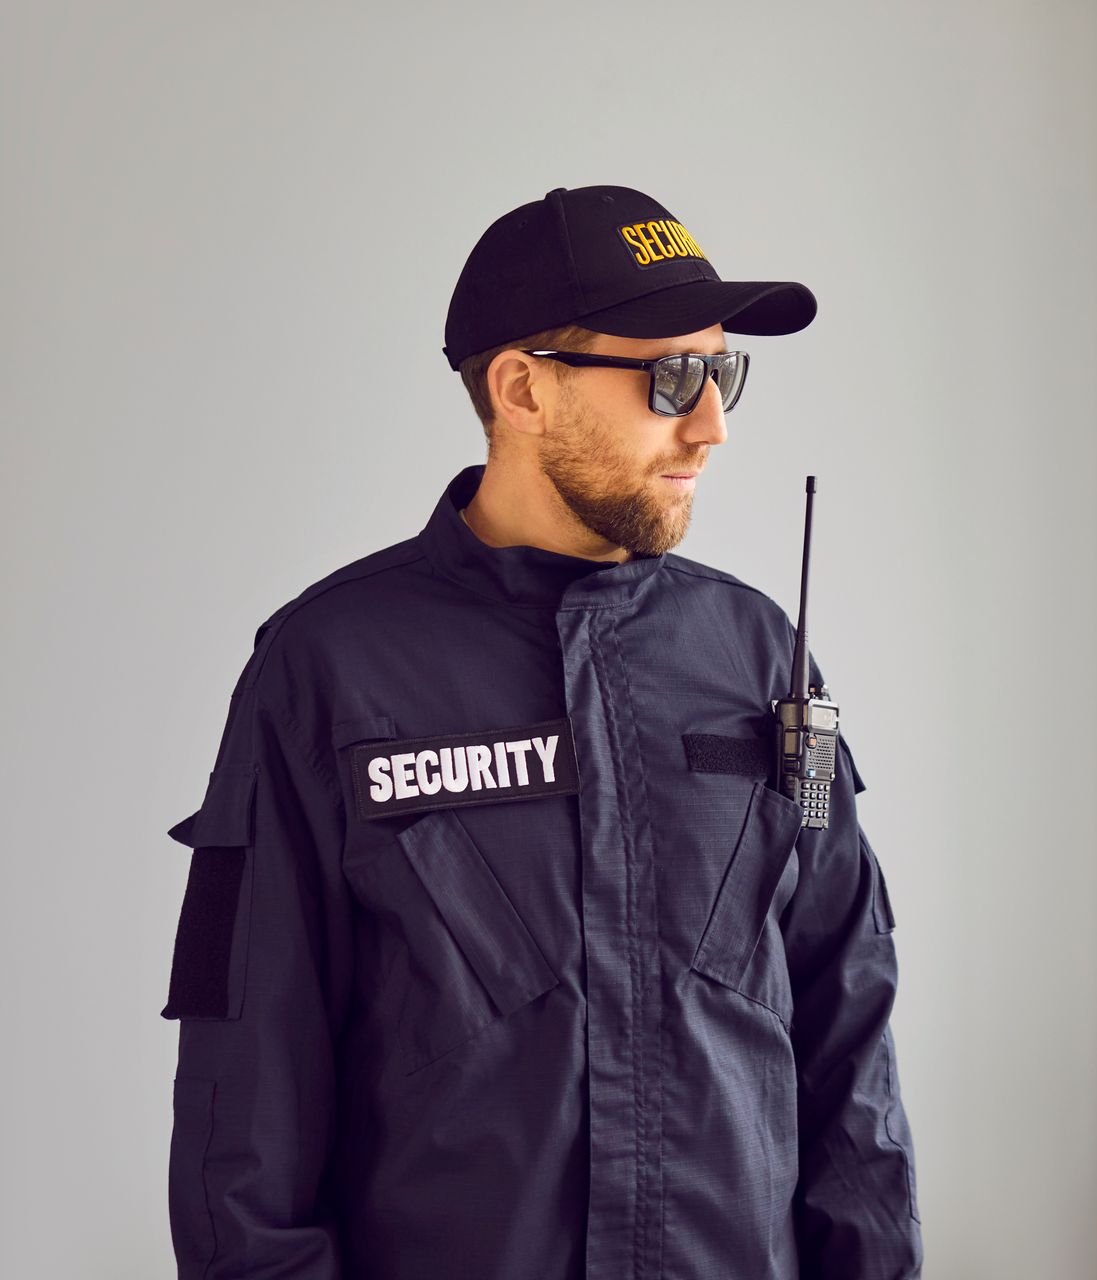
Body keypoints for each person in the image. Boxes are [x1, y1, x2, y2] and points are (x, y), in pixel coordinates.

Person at [157, 185, 922, 1279]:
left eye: (723, 373)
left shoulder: (761, 657)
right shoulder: (328, 668)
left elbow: (851, 1038)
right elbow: (247, 1109)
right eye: (670, 378)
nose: (709, 424)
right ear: (521, 387)